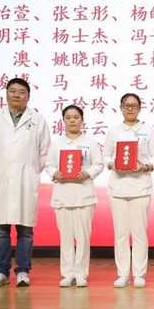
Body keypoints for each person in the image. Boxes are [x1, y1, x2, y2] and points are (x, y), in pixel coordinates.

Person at [0, 78, 51, 287]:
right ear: (6, 94)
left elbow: (44, 151)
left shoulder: (37, 119)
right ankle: (1, 272)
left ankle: (23, 271)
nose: (17, 95)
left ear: (28, 96)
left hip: (25, 180)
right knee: (0, 230)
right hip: (1, 179)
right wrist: (1, 167)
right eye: (12, 91)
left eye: (22, 92)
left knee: (25, 230)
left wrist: (30, 170)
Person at [102, 93, 154, 288]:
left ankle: (140, 273)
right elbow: (106, 155)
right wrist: (112, 164)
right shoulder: (114, 132)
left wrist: (146, 166)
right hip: (118, 187)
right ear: (120, 108)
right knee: (121, 233)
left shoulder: (148, 131)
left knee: (139, 232)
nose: (130, 109)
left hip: (140, 187)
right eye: (126, 105)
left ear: (139, 108)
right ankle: (123, 273)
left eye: (134, 105)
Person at [45, 105, 103, 287]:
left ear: (82, 120)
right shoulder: (56, 144)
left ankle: (81, 273)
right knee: (66, 237)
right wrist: (54, 173)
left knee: (83, 237)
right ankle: (68, 273)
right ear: (63, 121)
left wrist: (88, 173)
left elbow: (99, 164)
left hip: (84, 196)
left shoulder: (91, 143)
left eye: (76, 117)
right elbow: (49, 165)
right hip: (62, 195)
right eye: (68, 117)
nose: (72, 120)